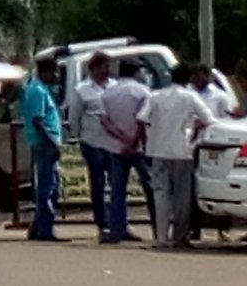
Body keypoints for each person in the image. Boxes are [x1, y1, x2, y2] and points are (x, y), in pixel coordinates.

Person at [139, 63, 214, 248]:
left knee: (161, 194)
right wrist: (194, 130)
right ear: (188, 79)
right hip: (182, 150)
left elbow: (142, 118)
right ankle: (179, 237)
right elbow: (209, 119)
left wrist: (149, 137)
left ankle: (161, 238)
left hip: (158, 149)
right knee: (182, 196)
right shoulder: (190, 97)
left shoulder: (155, 96)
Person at [100, 58, 156, 244]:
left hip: (116, 147)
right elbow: (144, 121)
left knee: (117, 190)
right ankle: (159, 228)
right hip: (139, 147)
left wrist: (121, 138)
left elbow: (105, 122)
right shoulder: (143, 92)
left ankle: (116, 230)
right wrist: (133, 142)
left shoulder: (108, 93)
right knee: (151, 188)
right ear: (136, 72)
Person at [69, 51, 117, 241]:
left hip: (113, 142)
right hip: (92, 141)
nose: (107, 70)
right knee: (97, 184)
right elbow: (74, 117)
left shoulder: (114, 87)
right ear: (93, 69)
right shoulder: (82, 90)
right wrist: (76, 137)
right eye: (104, 66)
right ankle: (102, 223)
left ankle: (118, 221)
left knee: (117, 184)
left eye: (108, 66)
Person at [21, 55, 65, 242]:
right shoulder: (37, 90)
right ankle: (44, 229)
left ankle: (38, 226)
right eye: (54, 71)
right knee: (47, 187)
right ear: (45, 71)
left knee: (51, 185)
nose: (56, 75)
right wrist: (53, 142)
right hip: (44, 143)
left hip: (46, 142)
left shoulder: (41, 89)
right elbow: (38, 121)